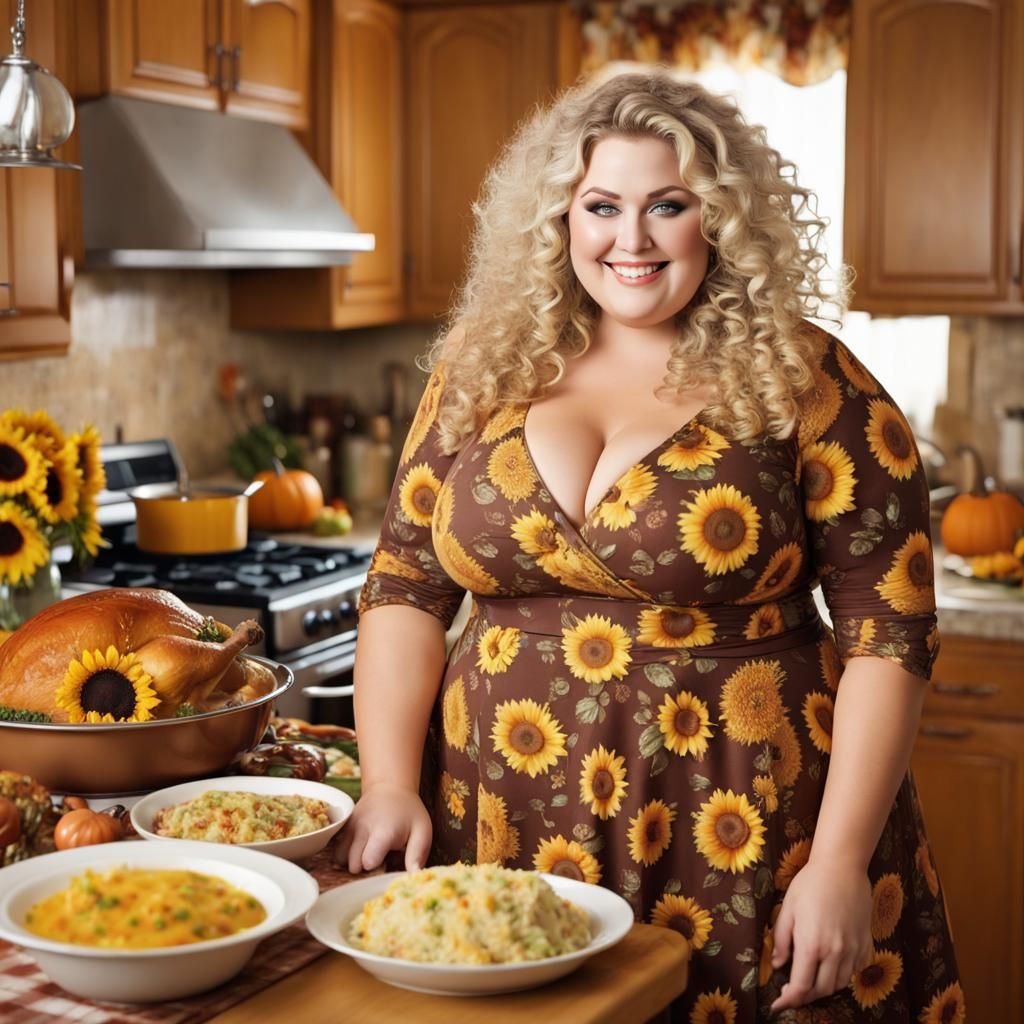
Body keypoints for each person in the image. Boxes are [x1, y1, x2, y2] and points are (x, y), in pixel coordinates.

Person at [334, 68, 962, 1021]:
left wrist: (837, 862)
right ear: (560, 220)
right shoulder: (482, 362)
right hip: (495, 810)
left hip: (746, 819)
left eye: (668, 205)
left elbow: (890, 633)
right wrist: (386, 784)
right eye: (601, 206)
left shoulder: (810, 375)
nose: (631, 240)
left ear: (719, 220)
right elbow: (406, 585)